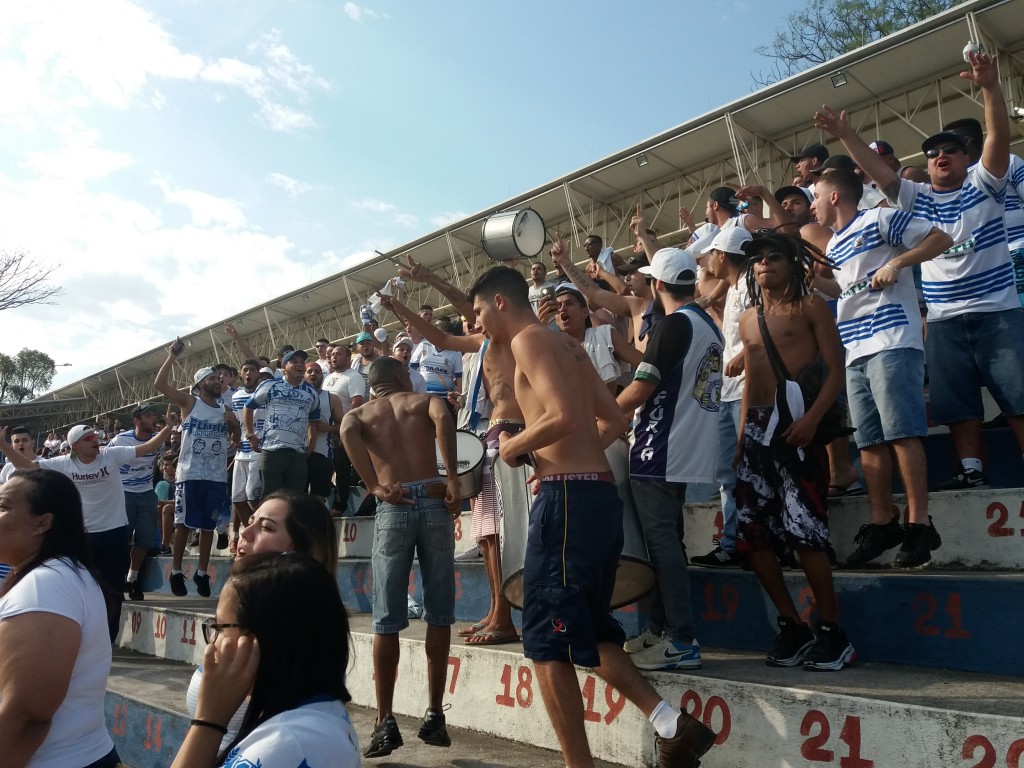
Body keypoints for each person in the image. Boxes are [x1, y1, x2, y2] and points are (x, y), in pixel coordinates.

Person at [468, 264, 716, 768]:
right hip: (597, 494)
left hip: (568, 504)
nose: (477, 326)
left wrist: (515, 446)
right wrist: (568, 459)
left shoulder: (528, 341)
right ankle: (672, 723)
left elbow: (564, 416)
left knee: (543, 640)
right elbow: (613, 417)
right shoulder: (570, 346)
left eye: (477, 313)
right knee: (593, 629)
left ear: (499, 302)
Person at [815, 51, 1024, 491]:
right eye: (932, 152)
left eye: (950, 149)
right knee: (958, 406)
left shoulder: (985, 186)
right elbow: (875, 171)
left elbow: (998, 140)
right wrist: (846, 134)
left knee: (1019, 399)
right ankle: (972, 472)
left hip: (997, 310)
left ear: (966, 157)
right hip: (944, 319)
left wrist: (989, 87)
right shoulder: (915, 197)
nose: (940, 155)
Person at [811, 169, 951, 567]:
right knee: (869, 441)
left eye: (817, 196)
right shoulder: (834, 243)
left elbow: (941, 237)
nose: (814, 204)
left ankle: (920, 525)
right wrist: (814, 283)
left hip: (891, 340)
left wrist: (899, 263)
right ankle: (882, 521)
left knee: (902, 433)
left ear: (835, 196)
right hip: (855, 349)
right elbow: (846, 290)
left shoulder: (879, 217)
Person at [735, 233, 855, 671]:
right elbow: (750, 376)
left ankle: (831, 629)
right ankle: (792, 624)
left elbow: (836, 368)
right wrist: (740, 438)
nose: (765, 265)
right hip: (756, 432)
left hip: (797, 424)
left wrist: (811, 421)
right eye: (759, 260)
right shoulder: (748, 317)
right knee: (752, 536)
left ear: (791, 264)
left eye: (774, 258)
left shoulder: (810, 307)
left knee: (806, 530)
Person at [340, 356, 461, 759]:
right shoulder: (422, 400)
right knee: (439, 612)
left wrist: (374, 486)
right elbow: (443, 420)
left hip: (393, 503)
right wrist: (453, 480)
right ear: (400, 377)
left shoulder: (360, 413)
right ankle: (433, 715)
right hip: (431, 499)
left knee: (386, 618)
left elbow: (345, 429)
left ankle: (385, 720)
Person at [616, 247, 723, 671]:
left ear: (658, 285)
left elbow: (640, 389)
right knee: (667, 542)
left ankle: (681, 638)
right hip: (686, 448)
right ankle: (662, 629)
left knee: (661, 546)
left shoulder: (672, 324)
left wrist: (601, 422)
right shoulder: (706, 324)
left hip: (659, 447)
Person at [171, 552, 358, 768]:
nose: (212, 643)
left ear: (256, 641)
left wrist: (208, 721)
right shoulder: (319, 716)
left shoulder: (283, 744)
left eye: (220, 627)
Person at [185, 490, 339, 749]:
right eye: (251, 520)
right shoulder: (237, 604)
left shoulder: (297, 636)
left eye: (265, 527)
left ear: (302, 550)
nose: (244, 532)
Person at [0, 419, 174, 641]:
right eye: (88, 438)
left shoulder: (111, 455)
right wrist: (3, 445)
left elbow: (148, 448)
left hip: (114, 532)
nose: (95, 440)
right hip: (83, 536)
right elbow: (27, 467)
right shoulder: (63, 463)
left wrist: (167, 429)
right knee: (83, 588)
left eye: (95, 436)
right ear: (75, 446)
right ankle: (84, 635)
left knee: (112, 590)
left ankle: (108, 639)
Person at [0, 469, 120, 768]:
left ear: (43, 522)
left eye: (2, 507)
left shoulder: (46, 586)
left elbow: (28, 715)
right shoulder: (54, 576)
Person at [690, 228, 754, 568]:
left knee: (744, 469)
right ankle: (734, 542)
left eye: (711, 253)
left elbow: (761, 328)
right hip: (730, 392)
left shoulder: (750, 285)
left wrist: (745, 357)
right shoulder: (732, 288)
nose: (706, 260)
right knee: (729, 471)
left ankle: (749, 542)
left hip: (747, 390)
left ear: (723, 256)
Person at [155, 347, 240, 598]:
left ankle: (202, 573)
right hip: (190, 474)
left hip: (215, 475)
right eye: (212, 379)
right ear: (200, 384)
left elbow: (235, 438)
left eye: (219, 378)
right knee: (183, 525)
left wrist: (233, 422)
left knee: (207, 527)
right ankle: (177, 570)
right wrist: (172, 356)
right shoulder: (190, 403)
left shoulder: (225, 408)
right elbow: (160, 383)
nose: (218, 381)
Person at [243, 349, 320, 499]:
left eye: (302, 362)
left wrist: (311, 444)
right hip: (271, 452)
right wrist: (250, 434)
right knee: (269, 497)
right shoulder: (269, 385)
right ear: (284, 367)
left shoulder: (311, 392)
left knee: (295, 498)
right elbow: (248, 407)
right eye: (294, 361)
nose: (299, 365)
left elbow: (313, 421)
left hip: (297, 454)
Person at [109, 404, 163, 601]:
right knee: (121, 540)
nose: (153, 419)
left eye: (154, 415)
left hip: (147, 493)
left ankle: (132, 579)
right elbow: (106, 461)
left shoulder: (158, 440)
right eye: (148, 415)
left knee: (144, 540)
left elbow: (155, 462)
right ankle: (116, 580)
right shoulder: (120, 440)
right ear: (136, 421)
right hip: (124, 493)